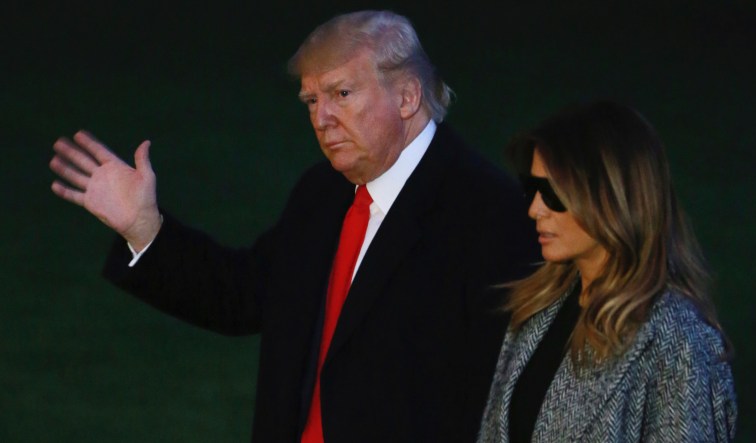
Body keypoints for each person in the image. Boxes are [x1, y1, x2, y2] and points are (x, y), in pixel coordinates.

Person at [49, 10, 540, 443]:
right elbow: (243, 295)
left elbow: (511, 393)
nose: (322, 118)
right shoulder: (321, 194)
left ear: (408, 95)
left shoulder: (487, 212)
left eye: (341, 94)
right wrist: (145, 228)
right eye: (310, 101)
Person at [477, 100, 737, 442]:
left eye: (553, 193)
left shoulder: (677, 338)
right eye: (533, 188)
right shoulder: (538, 305)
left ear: (611, 197)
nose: (534, 209)